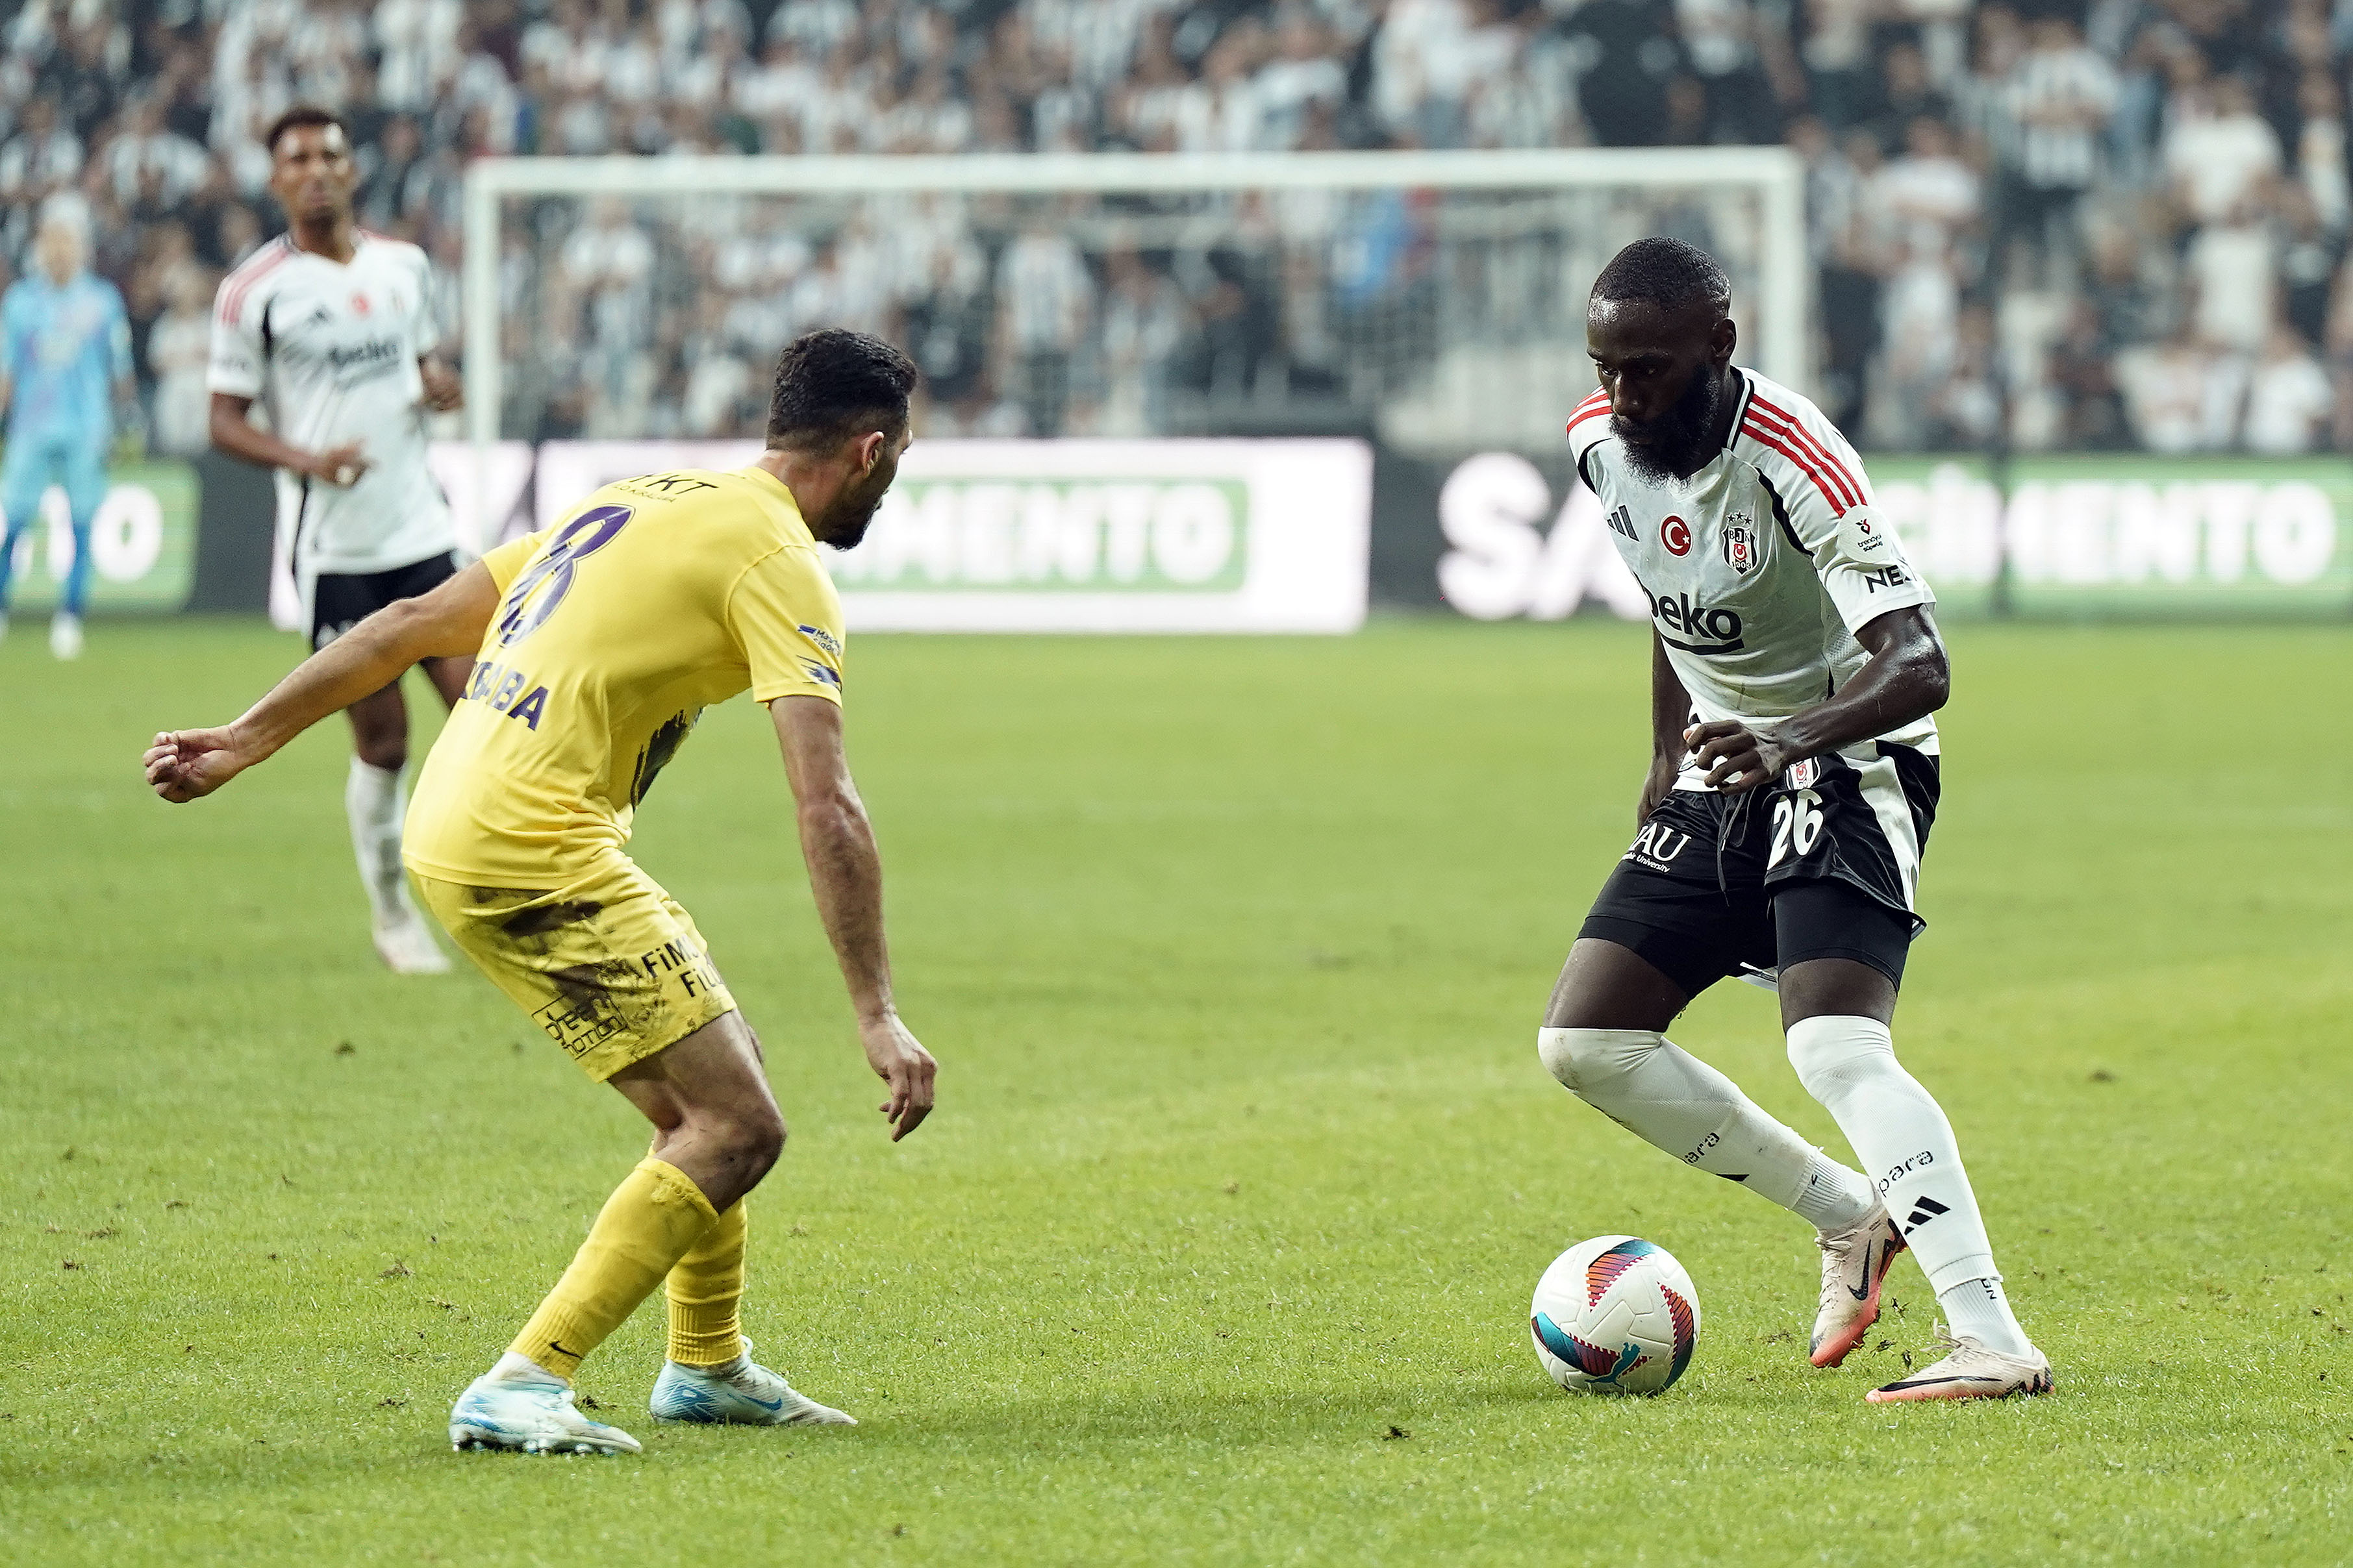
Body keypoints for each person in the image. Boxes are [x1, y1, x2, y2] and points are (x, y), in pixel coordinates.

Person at [144, 327, 940, 1456]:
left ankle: (707, 1365)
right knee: (736, 1126)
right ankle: (522, 1380)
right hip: (534, 844)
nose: (892, 482)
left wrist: (247, 736)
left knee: (712, 1082)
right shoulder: (779, 564)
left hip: (455, 819)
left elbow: (413, 623)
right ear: (867, 452)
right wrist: (875, 1010)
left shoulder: (641, 498)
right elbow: (828, 805)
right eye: (899, 461)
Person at [1541, 237, 2050, 1402]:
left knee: (1830, 1043)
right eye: (1606, 368)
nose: (1624, 397)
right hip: (1722, 764)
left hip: (1849, 759)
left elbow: (1919, 663)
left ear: (1719, 346)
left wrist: (1782, 741)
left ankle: (1992, 1340)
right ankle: (1848, 1219)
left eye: (1651, 370)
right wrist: (1668, 748)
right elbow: (1667, 605)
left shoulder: (1792, 455)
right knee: (1585, 1043)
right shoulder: (1595, 442)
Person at [207, 105, 467, 975]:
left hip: (424, 532)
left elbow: (427, 366)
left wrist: (439, 386)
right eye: (297, 159)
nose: (316, 169)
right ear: (277, 179)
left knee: (492, 713)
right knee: (384, 743)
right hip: (338, 552)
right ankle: (394, 913)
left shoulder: (406, 267)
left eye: (329, 154)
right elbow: (224, 420)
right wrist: (307, 457)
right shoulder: (254, 292)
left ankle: (499, 893)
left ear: (352, 169)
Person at [0, 209, 133, 659]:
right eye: (51, 242)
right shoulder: (19, 302)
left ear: (81, 249)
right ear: (39, 249)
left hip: (86, 429)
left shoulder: (103, 301)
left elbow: (120, 369)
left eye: (67, 242)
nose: (58, 252)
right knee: (14, 523)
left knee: (80, 525)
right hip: (30, 429)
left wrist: (126, 421)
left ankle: (70, 617)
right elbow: (7, 372)